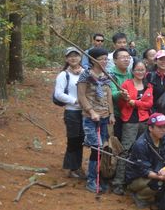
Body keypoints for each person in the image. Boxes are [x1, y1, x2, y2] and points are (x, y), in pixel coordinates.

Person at [77, 47, 115, 193]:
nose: (104, 61)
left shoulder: (107, 75)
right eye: (101, 59)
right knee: (96, 148)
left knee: (103, 148)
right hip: (90, 118)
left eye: (106, 59)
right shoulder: (85, 75)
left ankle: (99, 177)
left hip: (105, 117)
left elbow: (108, 95)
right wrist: (91, 111)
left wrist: (111, 114)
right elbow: (81, 96)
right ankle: (91, 180)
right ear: (93, 60)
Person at [114, 60, 153, 195]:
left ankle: (133, 181)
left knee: (142, 151)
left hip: (144, 121)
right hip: (129, 121)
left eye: (142, 70)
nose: (140, 72)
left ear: (146, 71)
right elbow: (121, 104)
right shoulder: (126, 84)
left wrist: (135, 103)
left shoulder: (148, 85)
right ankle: (118, 182)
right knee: (126, 150)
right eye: (137, 70)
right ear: (133, 71)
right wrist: (126, 99)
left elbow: (149, 104)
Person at [124, 112, 165, 208]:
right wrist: (161, 177)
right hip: (136, 178)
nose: (163, 130)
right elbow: (143, 171)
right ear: (150, 128)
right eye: (159, 127)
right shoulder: (140, 144)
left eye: (164, 126)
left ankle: (152, 195)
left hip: (156, 170)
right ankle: (140, 197)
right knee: (158, 183)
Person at [54, 47, 85, 178]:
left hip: (86, 112)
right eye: (70, 56)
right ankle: (72, 168)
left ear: (80, 57)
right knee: (73, 140)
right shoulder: (63, 75)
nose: (73, 58)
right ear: (66, 59)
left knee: (81, 139)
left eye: (76, 55)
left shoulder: (86, 73)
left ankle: (77, 166)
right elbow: (58, 94)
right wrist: (75, 101)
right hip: (72, 112)